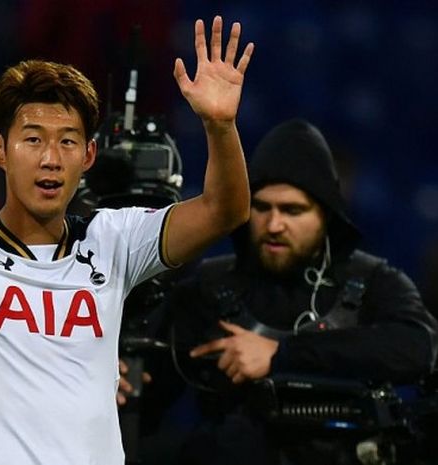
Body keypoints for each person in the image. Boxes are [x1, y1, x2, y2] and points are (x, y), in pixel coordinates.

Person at [0, 16, 254, 465]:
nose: (50, 159)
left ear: (89, 155)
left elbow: (225, 211)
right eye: (33, 139)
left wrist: (220, 125)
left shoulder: (115, 239)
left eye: (67, 142)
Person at [155, 118, 438, 465]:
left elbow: (417, 347)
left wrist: (281, 355)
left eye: (293, 210)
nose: (274, 225)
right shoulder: (211, 287)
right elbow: (150, 393)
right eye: (262, 208)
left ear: (326, 215)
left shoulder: (372, 280)